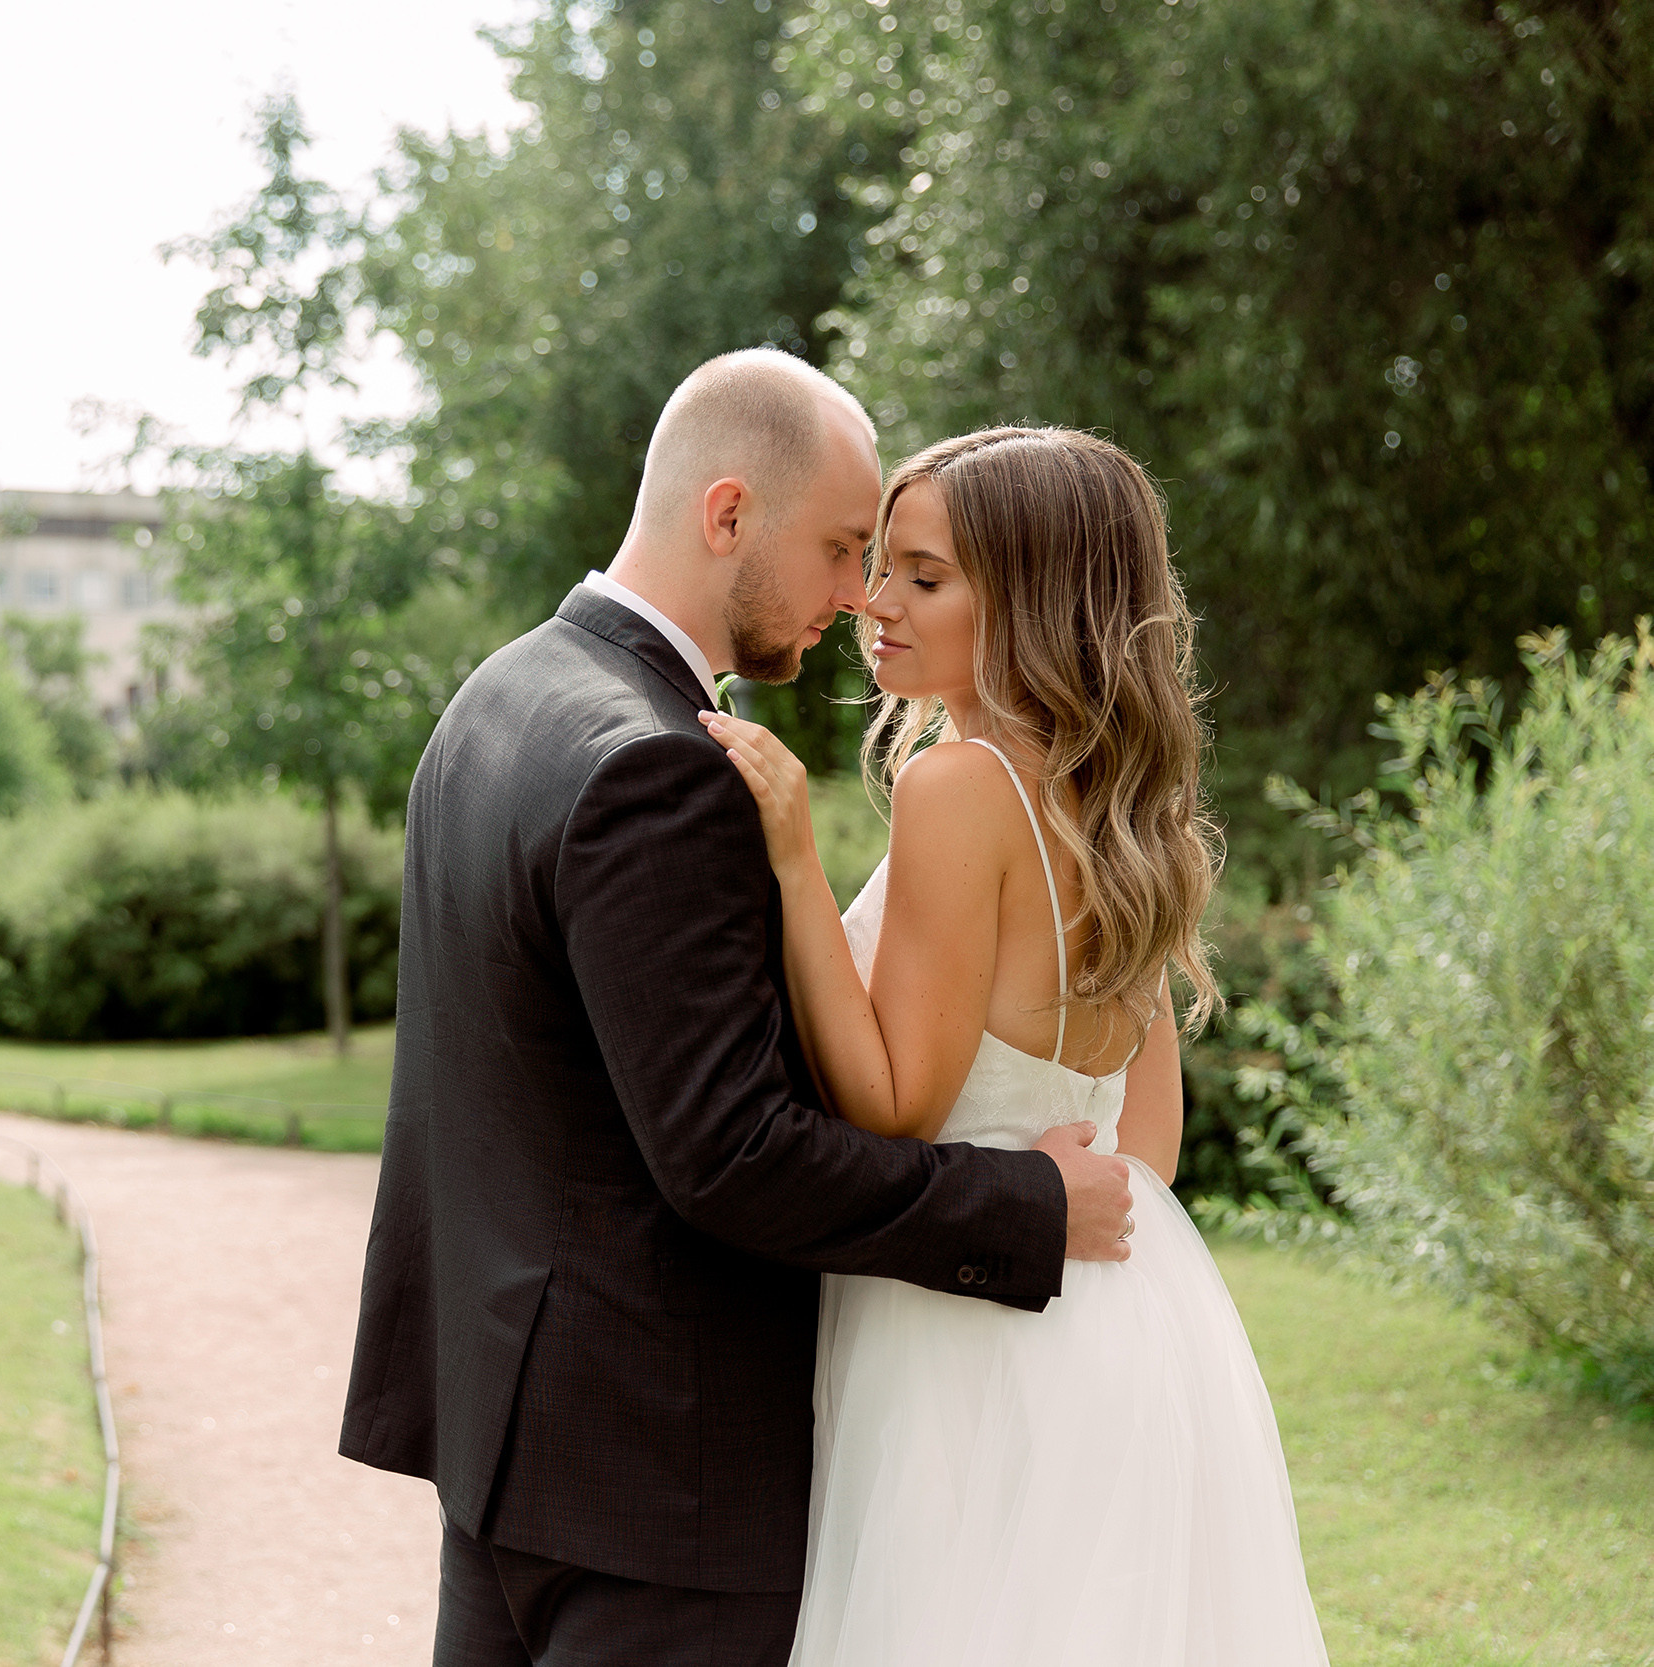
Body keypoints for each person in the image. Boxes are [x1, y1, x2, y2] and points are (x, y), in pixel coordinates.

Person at [340, 352, 1139, 1666]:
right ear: (727, 516)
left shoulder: (497, 700)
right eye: (839, 548)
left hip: (503, 1444)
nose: (856, 596)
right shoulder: (661, 764)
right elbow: (734, 1153)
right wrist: (1027, 1204)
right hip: (662, 1482)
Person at [705, 425, 1329, 1665]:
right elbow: (1142, 1138)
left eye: (923, 577)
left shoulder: (960, 786)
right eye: (879, 562)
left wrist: (788, 855)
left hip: (962, 1323)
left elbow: (889, 1103)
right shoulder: (1117, 803)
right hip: (1124, 1321)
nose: (873, 601)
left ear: (1034, 603)